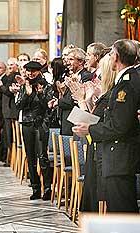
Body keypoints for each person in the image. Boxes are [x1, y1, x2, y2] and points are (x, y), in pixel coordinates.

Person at [73, 39, 140, 212]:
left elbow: (119, 126)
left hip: (120, 156)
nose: (109, 58)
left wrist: (90, 129)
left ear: (116, 57)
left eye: (110, 55)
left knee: (122, 209)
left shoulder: (126, 85)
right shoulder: (128, 80)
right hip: (118, 156)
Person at [15, 61, 54, 200]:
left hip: (41, 123)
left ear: (39, 71)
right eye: (28, 71)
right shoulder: (24, 86)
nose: (31, 74)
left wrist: (41, 93)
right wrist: (27, 92)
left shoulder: (46, 86)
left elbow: (48, 106)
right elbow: (18, 105)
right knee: (30, 157)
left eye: (34, 71)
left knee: (42, 157)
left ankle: (48, 188)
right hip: (26, 123)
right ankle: (35, 188)